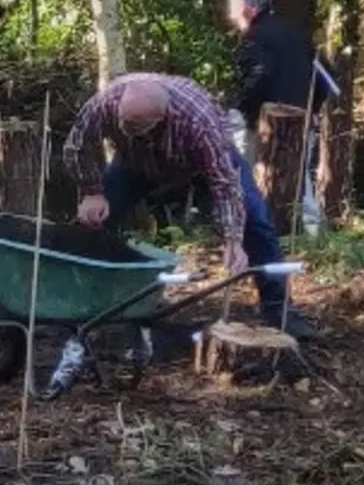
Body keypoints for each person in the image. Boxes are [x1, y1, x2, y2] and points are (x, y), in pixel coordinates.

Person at [65, 71, 287, 325]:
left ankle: (278, 310)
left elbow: (225, 185)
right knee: (94, 221)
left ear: (164, 117)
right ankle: (79, 300)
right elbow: (77, 146)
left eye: (138, 128)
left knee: (254, 219)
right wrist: (92, 192)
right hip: (134, 162)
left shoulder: (200, 123)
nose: (128, 132)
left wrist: (233, 239)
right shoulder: (105, 103)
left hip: (199, 164)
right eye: (125, 126)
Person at [225, 0, 328, 223]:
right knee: (301, 180)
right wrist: (309, 109)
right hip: (301, 119)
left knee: (244, 176)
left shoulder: (255, 36)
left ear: (245, 8)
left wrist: (239, 106)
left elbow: (259, 76)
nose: (230, 16)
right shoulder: (297, 35)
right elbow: (325, 79)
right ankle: (310, 236)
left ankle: (248, 231)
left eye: (232, 9)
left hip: (261, 124)